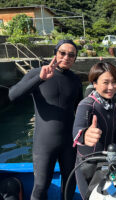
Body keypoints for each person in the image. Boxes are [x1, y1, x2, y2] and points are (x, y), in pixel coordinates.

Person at [8, 40, 82, 200]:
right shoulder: (37, 73)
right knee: (41, 186)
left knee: (70, 184)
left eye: (71, 55)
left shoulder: (76, 81)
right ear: (55, 53)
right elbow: (13, 95)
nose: (66, 57)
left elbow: (79, 109)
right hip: (44, 143)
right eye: (62, 53)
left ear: (75, 58)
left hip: (70, 143)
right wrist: (40, 79)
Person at [72, 62, 116, 198]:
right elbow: (77, 130)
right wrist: (85, 135)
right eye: (105, 82)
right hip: (87, 167)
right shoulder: (87, 104)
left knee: (110, 196)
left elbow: (115, 135)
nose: (111, 87)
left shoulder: (111, 105)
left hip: (107, 164)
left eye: (115, 82)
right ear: (94, 83)